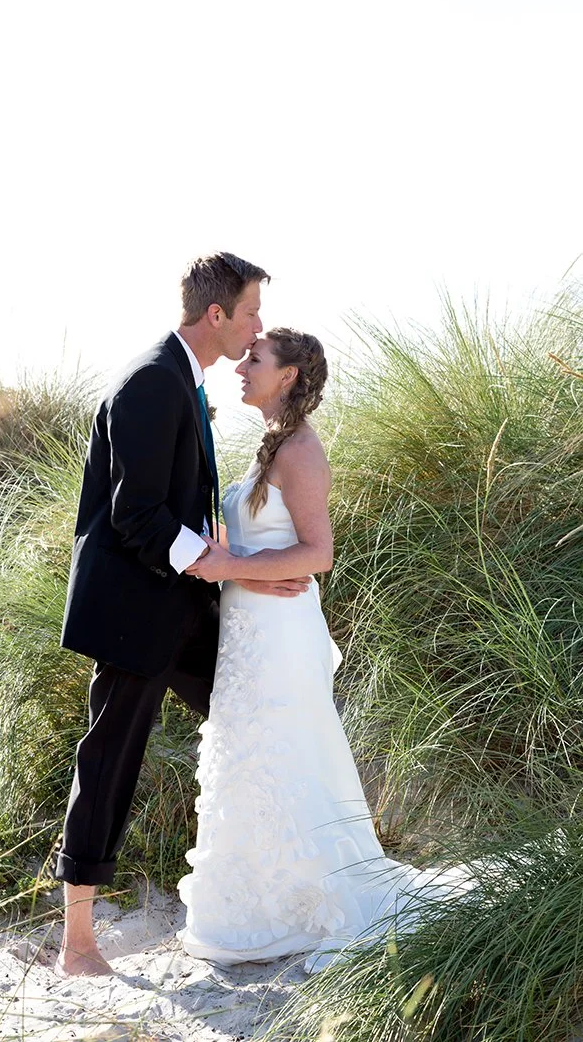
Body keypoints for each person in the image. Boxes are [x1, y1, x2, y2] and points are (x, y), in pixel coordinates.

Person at [178, 328, 471, 972]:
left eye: (254, 360)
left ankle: (305, 903)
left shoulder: (302, 451)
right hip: (249, 632)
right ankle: (255, 906)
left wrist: (230, 566)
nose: (241, 367)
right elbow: (252, 547)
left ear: (286, 376)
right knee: (249, 757)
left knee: (281, 753)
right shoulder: (269, 446)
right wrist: (225, 559)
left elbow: (318, 553)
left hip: (279, 634)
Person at [54, 255, 312, 978]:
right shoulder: (152, 381)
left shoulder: (181, 382)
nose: (259, 325)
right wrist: (225, 566)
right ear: (218, 315)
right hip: (136, 612)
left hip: (179, 607)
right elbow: (134, 513)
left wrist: (237, 572)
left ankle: (289, 878)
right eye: (253, 312)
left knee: (252, 715)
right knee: (109, 757)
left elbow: (174, 512)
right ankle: (77, 943)